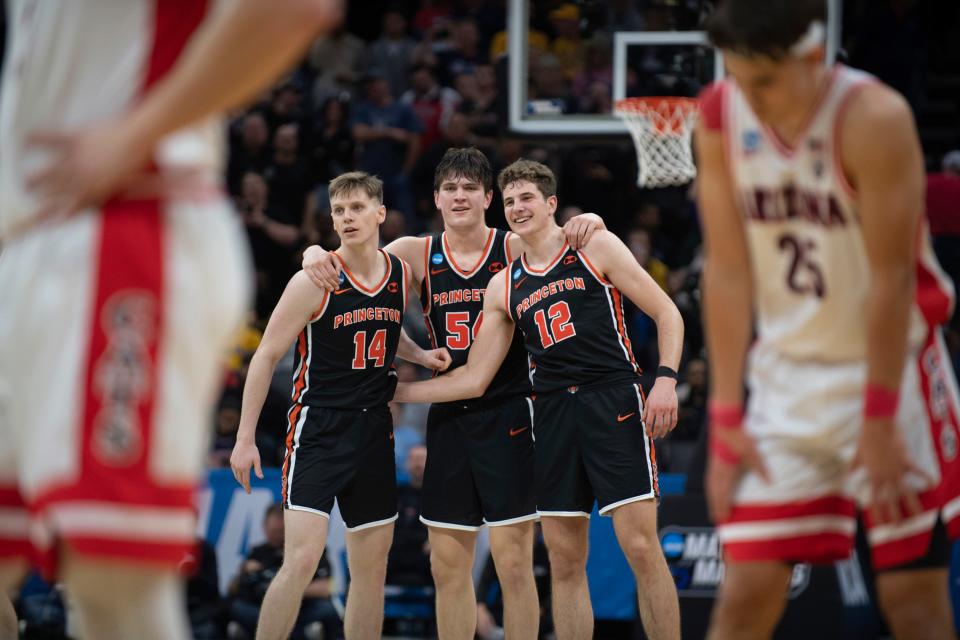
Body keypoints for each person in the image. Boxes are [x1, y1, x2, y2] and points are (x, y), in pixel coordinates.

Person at [0, 2, 342, 639]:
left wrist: (135, 136)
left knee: (115, 588)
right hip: (27, 245)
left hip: (123, 231)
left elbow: (294, 9)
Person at [695, 2, 960, 639]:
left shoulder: (874, 117)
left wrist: (877, 417)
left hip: (893, 374)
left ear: (814, 54)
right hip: (788, 379)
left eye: (765, 82)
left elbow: (893, 280)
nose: (750, 99)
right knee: (744, 597)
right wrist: (727, 417)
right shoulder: (718, 114)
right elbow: (727, 273)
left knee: (914, 604)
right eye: (738, 78)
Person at [302, 148, 606, 640]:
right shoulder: (414, 251)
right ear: (437, 198)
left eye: (469, 188)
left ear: (489, 197)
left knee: (512, 565)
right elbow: (353, 264)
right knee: (447, 568)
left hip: (510, 412)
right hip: (446, 416)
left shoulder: (512, 247)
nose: (459, 196)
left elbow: (569, 242)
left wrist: (589, 218)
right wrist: (314, 252)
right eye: (450, 188)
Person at [392, 158, 685, 640]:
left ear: (551, 204)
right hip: (549, 413)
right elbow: (473, 378)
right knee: (565, 561)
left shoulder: (593, 244)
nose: (517, 208)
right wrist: (399, 386)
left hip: (611, 398)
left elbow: (667, 311)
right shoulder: (504, 284)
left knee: (640, 547)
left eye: (526, 198)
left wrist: (667, 379)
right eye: (510, 201)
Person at [230, 172, 450, 640]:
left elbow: (387, 333)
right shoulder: (315, 278)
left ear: (379, 214)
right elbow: (266, 355)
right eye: (338, 211)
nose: (347, 218)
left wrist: (421, 355)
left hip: (373, 431)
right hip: (318, 429)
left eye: (355, 208)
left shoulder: (398, 275)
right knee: (303, 560)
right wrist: (245, 437)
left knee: (370, 571)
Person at [227, 504, 338, 640]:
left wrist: (282, 590)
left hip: (303, 608)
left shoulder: (309, 550)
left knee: (327, 610)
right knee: (236, 608)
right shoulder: (258, 552)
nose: (278, 536)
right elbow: (233, 589)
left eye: (282, 531)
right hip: (262, 609)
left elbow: (326, 587)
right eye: (274, 531)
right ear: (264, 527)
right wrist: (244, 572)